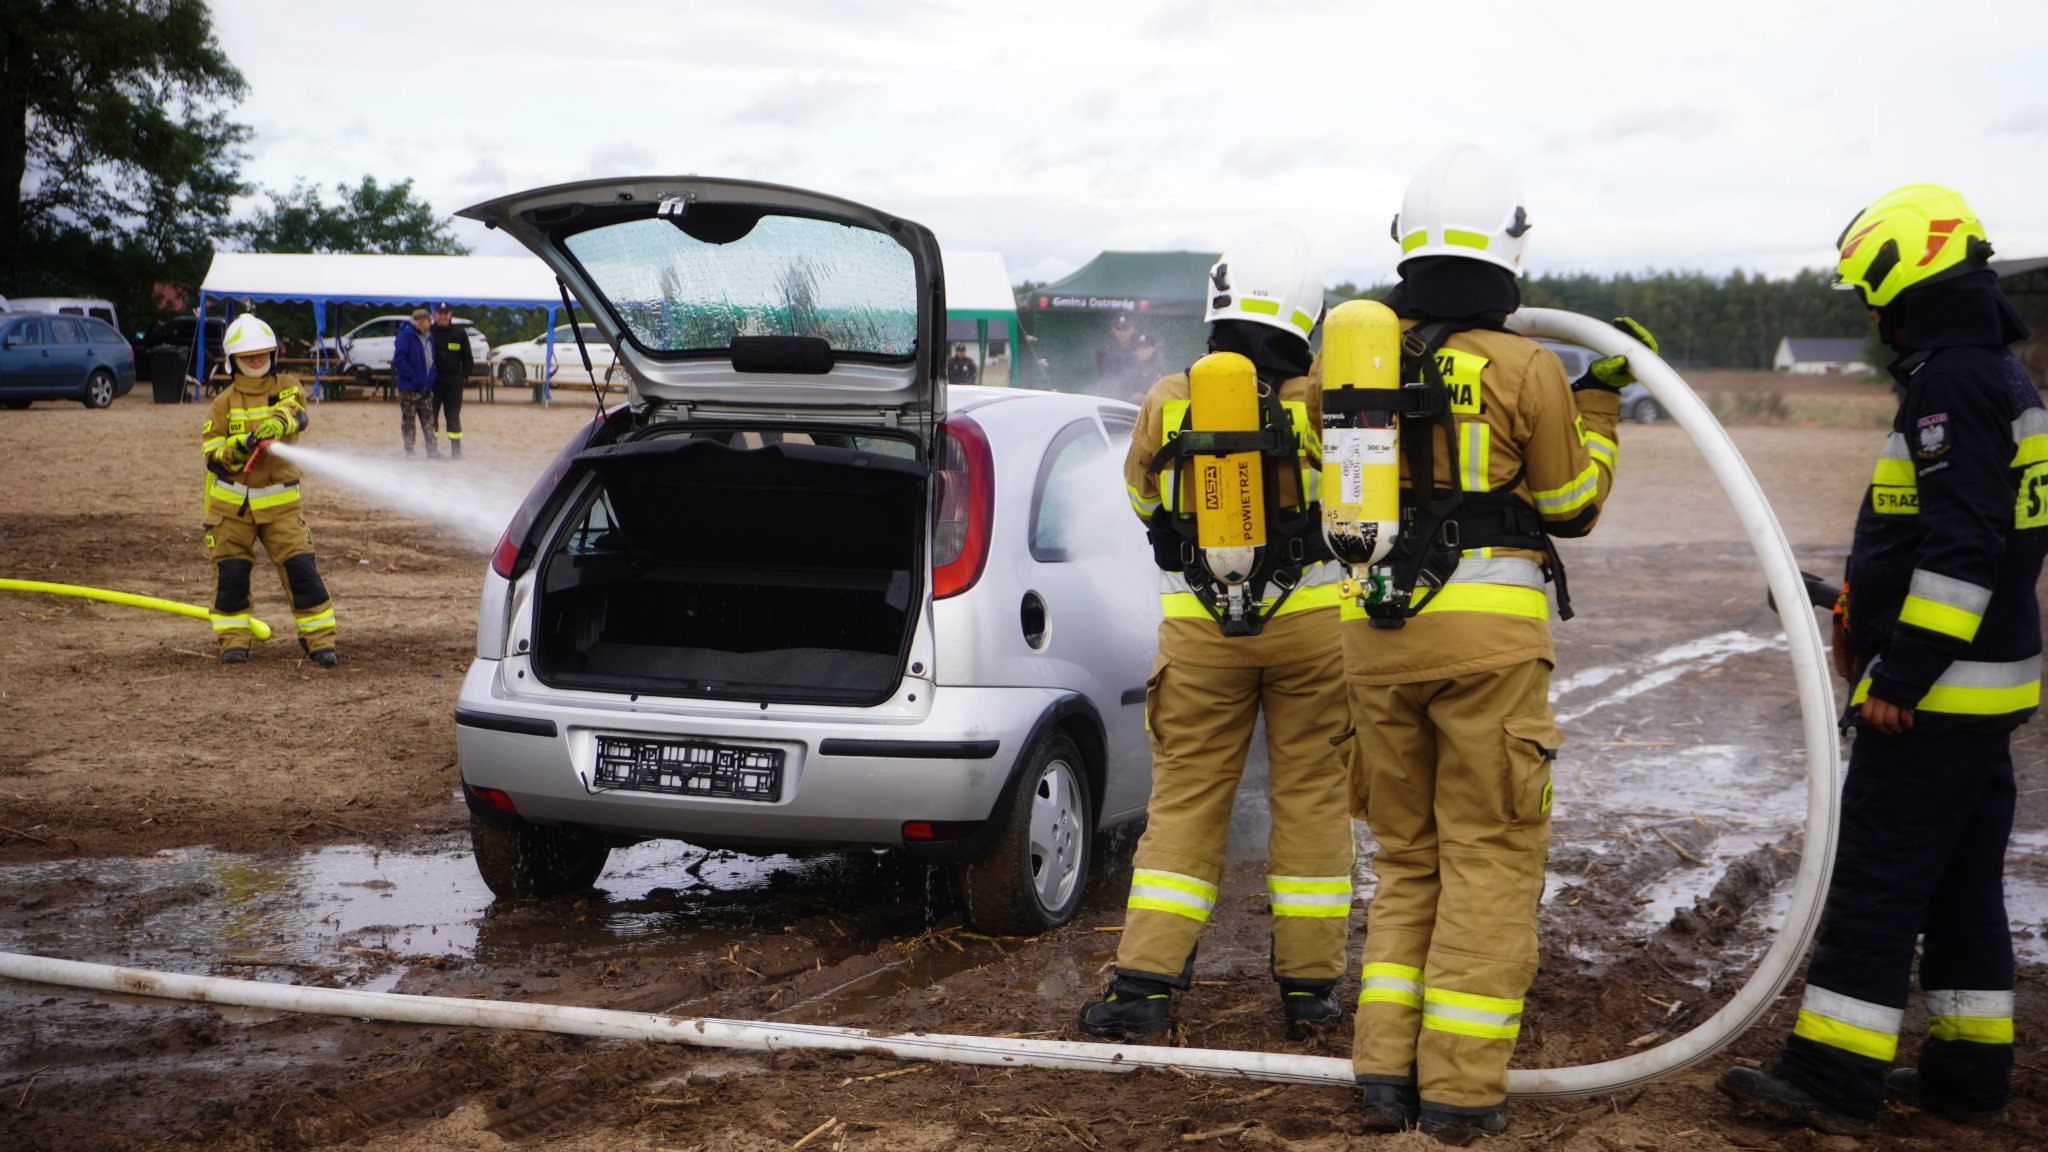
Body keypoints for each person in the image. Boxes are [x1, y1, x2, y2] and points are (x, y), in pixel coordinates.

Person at [1340, 145, 1649, 1142]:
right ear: (1506, 248)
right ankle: (1460, 1092)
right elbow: (1571, 507)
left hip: (1372, 641)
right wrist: (1598, 401)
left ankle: (1382, 1076)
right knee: (1487, 859)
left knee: (1406, 861)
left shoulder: (1343, 364)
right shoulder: (1524, 366)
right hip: (1486, 651)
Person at [1718, 184, 2041, 1134]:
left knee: (1878, 879)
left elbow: (1964, 549)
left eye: (1874, 291)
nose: (1870, 312)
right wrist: (1852, 596)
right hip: (1990, 686)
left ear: (1912, 278)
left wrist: (1901, 678)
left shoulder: (1953, 385)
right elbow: (1961, 543)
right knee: (1960, 884)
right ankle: (1967, 1077)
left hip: (1937, 694)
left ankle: (1830, 1079)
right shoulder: (1999, 377)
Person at [1078, 224, 1354, 1043]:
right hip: (1314, 634)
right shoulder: (1322, 401)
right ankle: (1310, 996)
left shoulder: (1169, 399)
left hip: (1200, 638)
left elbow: (1140, 506)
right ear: (1306, 313)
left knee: (1187, 802)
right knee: (1311, 801)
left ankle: (1143, 990)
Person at [199, 314, 339, 667]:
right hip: (231, 510)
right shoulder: (223, 403)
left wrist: (279, 421)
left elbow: (295, 410)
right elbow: (211, 452)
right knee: (231, 577)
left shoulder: (286, 385)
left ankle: (320, 641)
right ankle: (233, 641)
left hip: (281, 506)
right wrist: (240, 447)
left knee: (302, 572)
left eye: (263, 353)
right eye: (248, 355)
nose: (257, 359)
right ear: (233, 359)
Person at [427, 303, 473, 459]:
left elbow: (467, 357)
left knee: (453, 416)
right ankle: (432, 450)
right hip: (434, 381)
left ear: (450, 314)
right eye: (440, 313)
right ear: (435, 314)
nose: (443, 316)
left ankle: (456, 451)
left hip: (453, 381)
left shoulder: (459, 333)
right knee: (431, 415)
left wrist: (464, 377)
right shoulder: (429, 332)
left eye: (446, 313)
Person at [393, 307, 436, 457]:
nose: (430, 323)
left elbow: (432, 358)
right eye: (428, 321)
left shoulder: (429, 336)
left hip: (425, 388)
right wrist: (412, 376)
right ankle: (409, 450)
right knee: (409, 421)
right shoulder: (405, 336)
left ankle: (432, 450)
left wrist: (432, 376)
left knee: (429, 420)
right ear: (421, 322)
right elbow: (398, 359)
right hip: (409, 388)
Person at [1096, 313, 1140, 395]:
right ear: (1113, 330)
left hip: (1141, 395)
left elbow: (1153, 372)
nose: (1122, 333)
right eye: (1118, 329)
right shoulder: (1105, 350)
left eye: (1125, 329)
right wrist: (1128, 395)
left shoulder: (1142, 346)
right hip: (1115, 396)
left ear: (1132, 329)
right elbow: (1108, 379)